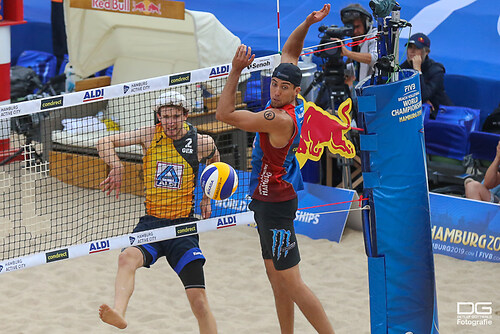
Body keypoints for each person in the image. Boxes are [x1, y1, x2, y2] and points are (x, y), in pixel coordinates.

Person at [216, 4, 335, 334]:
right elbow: (290, 51)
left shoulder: (278, 118)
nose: (277, 90)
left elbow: (224, 115)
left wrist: (236, 70)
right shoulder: (279, 98)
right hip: (265, 202)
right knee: (275, 276)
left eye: (284, 88)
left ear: (297, 93)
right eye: (275, 84)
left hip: (277, 205)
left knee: (292, 283)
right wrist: (309, 22)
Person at [96, 91, 220, 333]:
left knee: (199, 301)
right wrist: (117, 166)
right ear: (158, 117)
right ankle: (119, 313)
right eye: (165, 116)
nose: (170, 122)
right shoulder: (149, 135)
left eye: (176, 116)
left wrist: (207, 197)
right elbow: (103, 142)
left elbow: (215, 159)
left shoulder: (200, 142)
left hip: (183, 227)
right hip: (151, 223)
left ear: (186, 115)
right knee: (126, 257)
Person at [400, 33, 453, 115]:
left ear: (427, 51)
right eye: (410, 47)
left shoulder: (436, 70)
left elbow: (423, 96)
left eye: (417, 48)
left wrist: (417, 70)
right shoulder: (402, 69)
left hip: (439, 116)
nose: (412, 51)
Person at [338, 3, 378, 83]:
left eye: (357, 26)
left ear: (366, 24)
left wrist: (347, 53)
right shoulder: (356, 41)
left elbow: (375, 58)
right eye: (352, 28)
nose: (355, 31)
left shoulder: (375, 34)